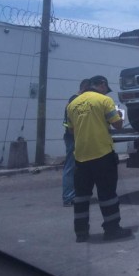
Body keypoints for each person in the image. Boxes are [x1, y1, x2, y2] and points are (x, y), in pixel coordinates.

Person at [66, 75, 132, 242]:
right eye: (105, 87)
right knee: (107, 194)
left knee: (81, 196)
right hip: (102, 154)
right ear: (102, 85)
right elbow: (117, 124)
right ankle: (112, 230)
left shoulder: (72, 104)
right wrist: (119, 116)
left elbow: (71, 131)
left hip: (81, 157)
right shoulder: (104, 100)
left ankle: (81, 233)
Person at [62, 78, 90, 207]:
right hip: (73, 137)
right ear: (85, 88)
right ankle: (68, 197)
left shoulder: (72, 100)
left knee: (76, 168)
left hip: (73, 136)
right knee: (71, 167)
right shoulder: (76, 100)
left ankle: (74, 195)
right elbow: (70, 124)